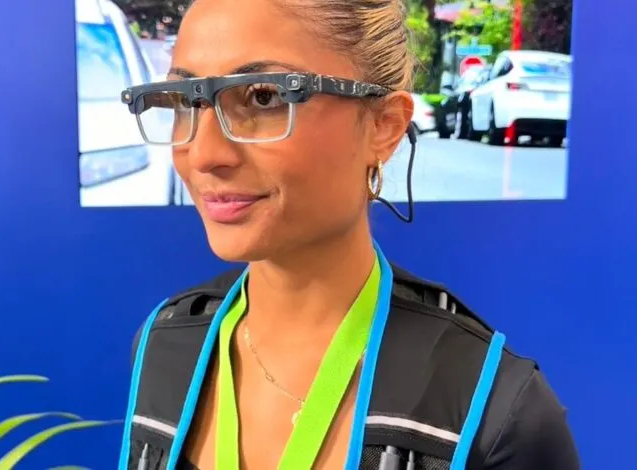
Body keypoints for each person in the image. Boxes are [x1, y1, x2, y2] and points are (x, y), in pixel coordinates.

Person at [117, 0, 580, 468]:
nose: (203, 154)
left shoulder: (488, 407)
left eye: (264, 97)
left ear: (385, 125)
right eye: (184, 101)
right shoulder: (166, 343)